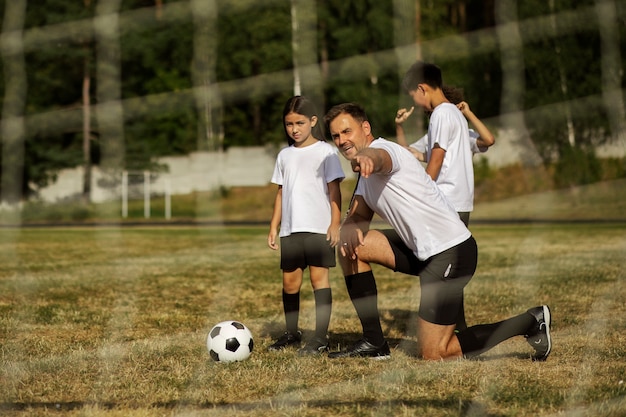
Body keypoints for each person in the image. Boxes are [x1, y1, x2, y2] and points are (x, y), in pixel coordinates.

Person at [323, 102, 551, 361]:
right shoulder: (365, 178)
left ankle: (530, 322)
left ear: (365, 128)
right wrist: (351, 224)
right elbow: (360, 215)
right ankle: (374, 343)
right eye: (336, 136)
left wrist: (367, 158)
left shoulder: (385, 150)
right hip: (422, 251)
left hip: (452, 252)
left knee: (434, 354)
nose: (341, 141)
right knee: (350, 246)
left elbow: (381, 160)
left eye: (346, 132)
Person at [396, 66, 496, 333]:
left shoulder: (441, 113)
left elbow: (436, 157)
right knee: (451, 267)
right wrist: (399, 128)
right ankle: (458, 328)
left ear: (422, 89)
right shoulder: (454, 115)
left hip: (447, 201)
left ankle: (447, 328)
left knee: (436, 265)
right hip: (460, 202)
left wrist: (422, 194)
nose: (415, 102)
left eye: (413, 96)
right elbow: (413, 154)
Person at [267, 95, 345, 356]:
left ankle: (320, 337)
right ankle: (291, 333)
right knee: (290, 283)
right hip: (291, 230)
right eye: (289, 125)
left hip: (318, 228)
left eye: (300, 123)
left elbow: (334, 191)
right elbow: (280, 193)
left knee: (318, 279)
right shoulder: (284, 155)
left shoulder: (326, 152)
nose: (294, 129)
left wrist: (335, 223)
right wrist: (274, 226)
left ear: (312, 121)